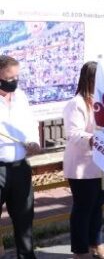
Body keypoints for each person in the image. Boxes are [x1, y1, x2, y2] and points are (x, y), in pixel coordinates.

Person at [63, 62, 104, 259]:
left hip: (103, 163)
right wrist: (94, 139)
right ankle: (80, 250)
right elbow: (73, 134)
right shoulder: (75, 104)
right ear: (89, 79)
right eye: (98, 78)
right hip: (82, 166)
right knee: (83, 208)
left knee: (98, 206)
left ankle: (96, 244)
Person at [0, 55, 42, 259]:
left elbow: (31, 123)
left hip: (20, 167)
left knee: (24, 219)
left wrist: (34, 142)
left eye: (16, 77)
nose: (13, 82)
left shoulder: (21, 96)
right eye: (9, 79)